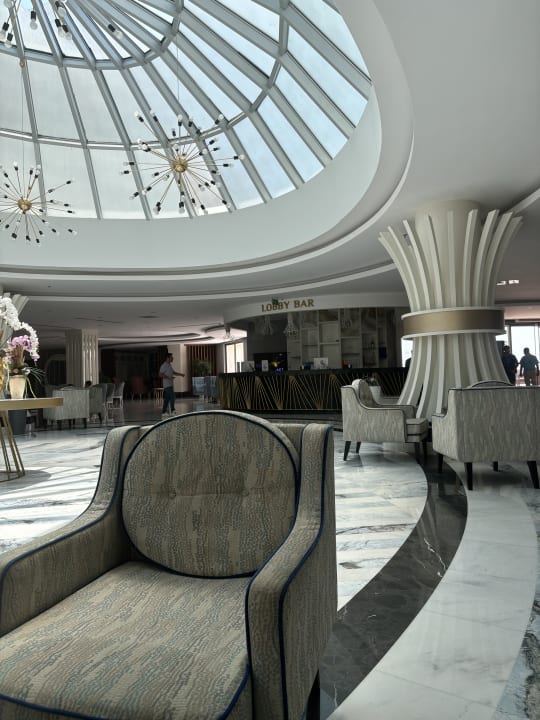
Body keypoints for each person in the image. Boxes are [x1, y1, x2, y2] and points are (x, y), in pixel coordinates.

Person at [159, 353, 185, 417]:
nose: (172, 358)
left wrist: (181, 374)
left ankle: (164, 412)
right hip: (167, 385)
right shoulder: (164, 365)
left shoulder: (169, 365)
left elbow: (173, 372)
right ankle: (173, 410)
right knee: (173, 397)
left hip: (170, 384)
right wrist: (169, 377)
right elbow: (160, 374)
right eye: (171, 357)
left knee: (167, 399)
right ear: (167, 358)